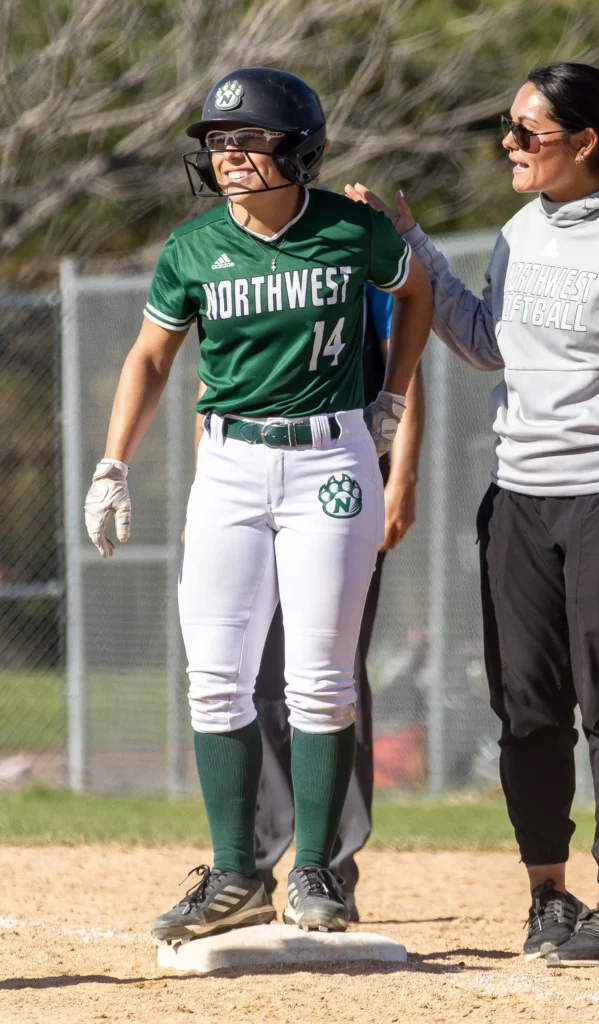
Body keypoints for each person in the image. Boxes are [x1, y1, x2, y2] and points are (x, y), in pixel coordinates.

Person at [346, 61, 599, 967]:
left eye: (527, 132)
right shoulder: (520, 230)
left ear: (584, 143)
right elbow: (489, 344)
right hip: (520, 497)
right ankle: (547, 898)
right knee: (525, 707)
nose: (509, 145)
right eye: (509, 126)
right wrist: (412, 246)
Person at [83, 66, 432, 941]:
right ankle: (236, 872)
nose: (228, 154)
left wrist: (391, 395)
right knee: (215, 679)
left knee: (318, 677)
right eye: (217, 141)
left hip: (332, 463)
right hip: (231, 462)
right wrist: (112, 464)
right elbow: (151, 357)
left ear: (299, 148)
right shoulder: (192, 247)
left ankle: (316, 868)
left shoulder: (352, 229)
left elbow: (415, 291)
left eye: (248, 139)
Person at [193, 284, 425, 918]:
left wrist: (400, 477)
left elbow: (402, 370)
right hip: (240, 485)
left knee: (329, 670)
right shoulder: (235, 268)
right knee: (252, 676)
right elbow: (216, 385)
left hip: (335, 484)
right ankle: (258, 864)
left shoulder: (347, 258)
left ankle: (331, 866)